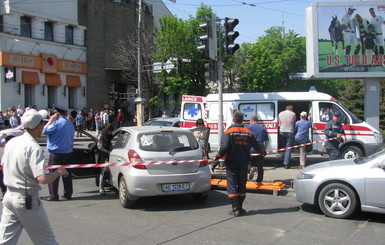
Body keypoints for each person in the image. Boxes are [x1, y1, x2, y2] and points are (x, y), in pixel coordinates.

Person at [0, 109, 69, 245]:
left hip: (9, 195)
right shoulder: (33, 147)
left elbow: (4, 165)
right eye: (42, 125)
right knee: (46, 240)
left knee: (5, 241)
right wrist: (58, 172)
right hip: (26, 198)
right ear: (38, 127)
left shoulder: (12, 142)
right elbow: (43, 178)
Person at [213, 111, 264, 217]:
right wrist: (263, 152)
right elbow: (257, 145)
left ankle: (235, 209)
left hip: (232, 163)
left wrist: (217, 157)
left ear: (233, 119)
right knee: (242, 185)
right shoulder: (248, 132)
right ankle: (240, 208)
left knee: (232, 185)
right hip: (244, 163)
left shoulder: (228, 132)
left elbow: (224, 147)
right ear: (242, 120)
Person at [43, 104, 75, 201]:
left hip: (57, 153)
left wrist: (50, 121)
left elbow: (45, 130)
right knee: (67, 174)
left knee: (53, 174)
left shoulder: (57, 123)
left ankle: (53, 195)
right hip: (68, 152)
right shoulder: (70, 123)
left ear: (56, 114)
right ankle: (68, 193)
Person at [246, 115, 269, 183]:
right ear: (257, 121)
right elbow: (267, 142)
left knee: (246, 163)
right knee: (260, 167)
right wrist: (264, 149)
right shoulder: (263, 128)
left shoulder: (247, 127)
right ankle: (259, 181)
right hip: (260, 149)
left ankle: (250, 169)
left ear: (251, 121)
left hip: (250, 149)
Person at [97, 123, 114, 195]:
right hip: (102, 155)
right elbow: (100, 146)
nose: (111, 132)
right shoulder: (101, 135)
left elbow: (110, 144)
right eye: (111, 131)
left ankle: (104, 187)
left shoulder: (109, 135)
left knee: (106, 170)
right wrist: (107, 151)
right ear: (108, 130)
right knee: (103, 171)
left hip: (107, 155)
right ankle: (101, 188)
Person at [278, 105, 296, 169]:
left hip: (282, 131)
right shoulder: (293, 114)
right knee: (288, 148)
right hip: (290, 131)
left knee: (285, 145)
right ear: (291, 109)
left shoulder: (280, 113)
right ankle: (286, 163)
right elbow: (293, 123)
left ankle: (284, 153)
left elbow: (279, 123)